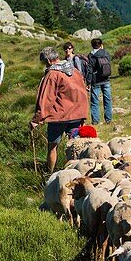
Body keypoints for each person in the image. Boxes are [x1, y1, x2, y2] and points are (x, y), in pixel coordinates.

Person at [30, 46, 89, 174]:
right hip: (77, 115)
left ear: (49, 61)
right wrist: (83, 114)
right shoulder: (74, 71)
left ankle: (50, 174)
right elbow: (83, 93)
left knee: (52, 146)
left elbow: (46, 98)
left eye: (44, 62)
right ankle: (77, 173)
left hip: (59, 117)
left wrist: (37, 119)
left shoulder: (52, 74)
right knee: (74, 146)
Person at [86, 37, 113, 125]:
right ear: (101, 45)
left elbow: (89, 70)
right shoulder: (106, 53)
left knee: (94, 101)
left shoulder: (91, 55)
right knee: (107, 99)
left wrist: (88, 82)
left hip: (95, 81)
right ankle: (108, 119)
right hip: (106, 79)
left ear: (92, 46)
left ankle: (95, 121)